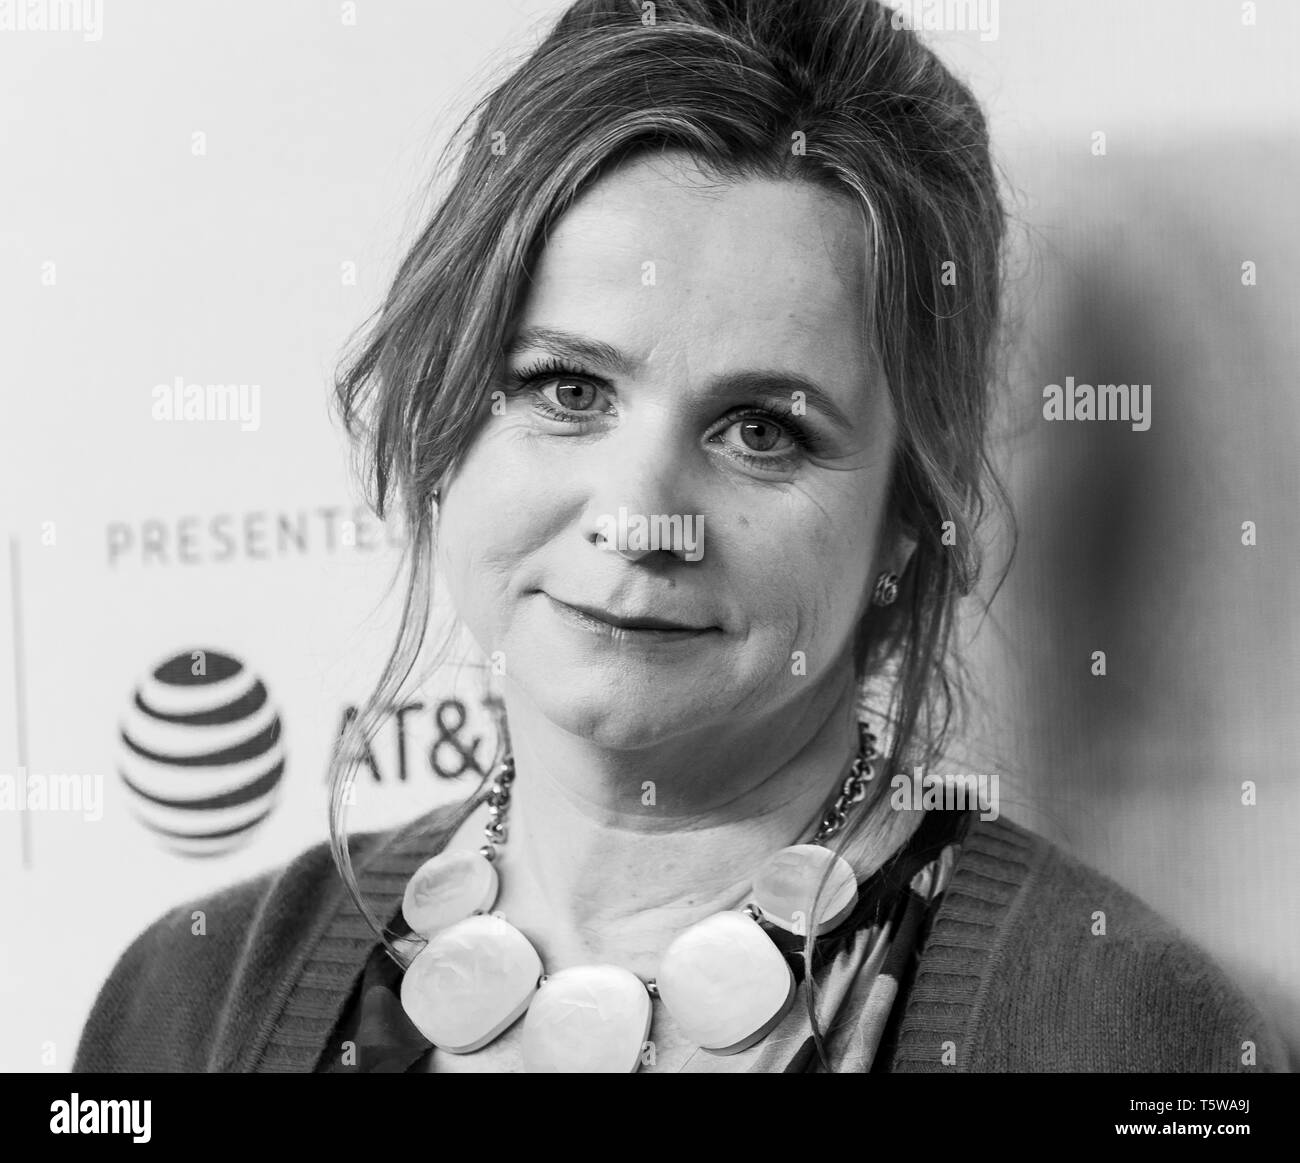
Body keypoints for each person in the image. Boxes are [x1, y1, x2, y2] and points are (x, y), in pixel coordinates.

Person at [73, 0, 1287, 1074]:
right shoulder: (185, 1001)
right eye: (565, 388)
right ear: (446, 411)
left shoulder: (1126, 1029)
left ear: (902, 525)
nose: (640, 514)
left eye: (761, 429)